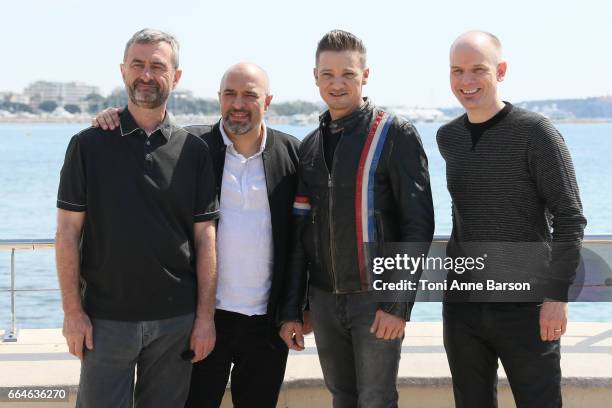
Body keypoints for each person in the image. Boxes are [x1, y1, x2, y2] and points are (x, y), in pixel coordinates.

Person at [93, 63, 301, 408]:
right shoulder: (190, 146)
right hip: (204, 320)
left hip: (268, 323)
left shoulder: (291, 153)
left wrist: (297, 308)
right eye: (230, 94)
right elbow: (145, 139)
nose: (238, 104)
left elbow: (302, 240)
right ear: (219, 99)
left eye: (250, 95)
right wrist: (111, 119)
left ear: (268, 101)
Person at [55, 28, 219, 408]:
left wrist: (205, 317)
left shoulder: (194, 151)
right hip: (104, 322)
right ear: (123, 71)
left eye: (157, 66)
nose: (146, 75)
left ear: (176, 77)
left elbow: (205, 238)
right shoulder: (87, 144)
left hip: (175, 323)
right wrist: (72, 312)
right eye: (137, 65)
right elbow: (66, 232)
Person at [279, 30, 435, 408]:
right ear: (315, 77)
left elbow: (418, 226)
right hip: (324, 301)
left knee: (377, 400)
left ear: (365, 75)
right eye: (328, 74)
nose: (337, 83)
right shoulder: (311, 147)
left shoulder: (395, 133)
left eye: (347, 73)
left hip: (375, 300)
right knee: (342, 398)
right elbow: (301, 236)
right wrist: (293, 311)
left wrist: (398, 304)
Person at [437, 31, 587, 408]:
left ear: (500, 71)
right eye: (457, 71)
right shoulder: (448, 137)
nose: (466, 81)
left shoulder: (537, 133)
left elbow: (570, 217)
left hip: (527, 305)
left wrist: (557, 296)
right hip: (463, 305)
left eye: (477, 70)